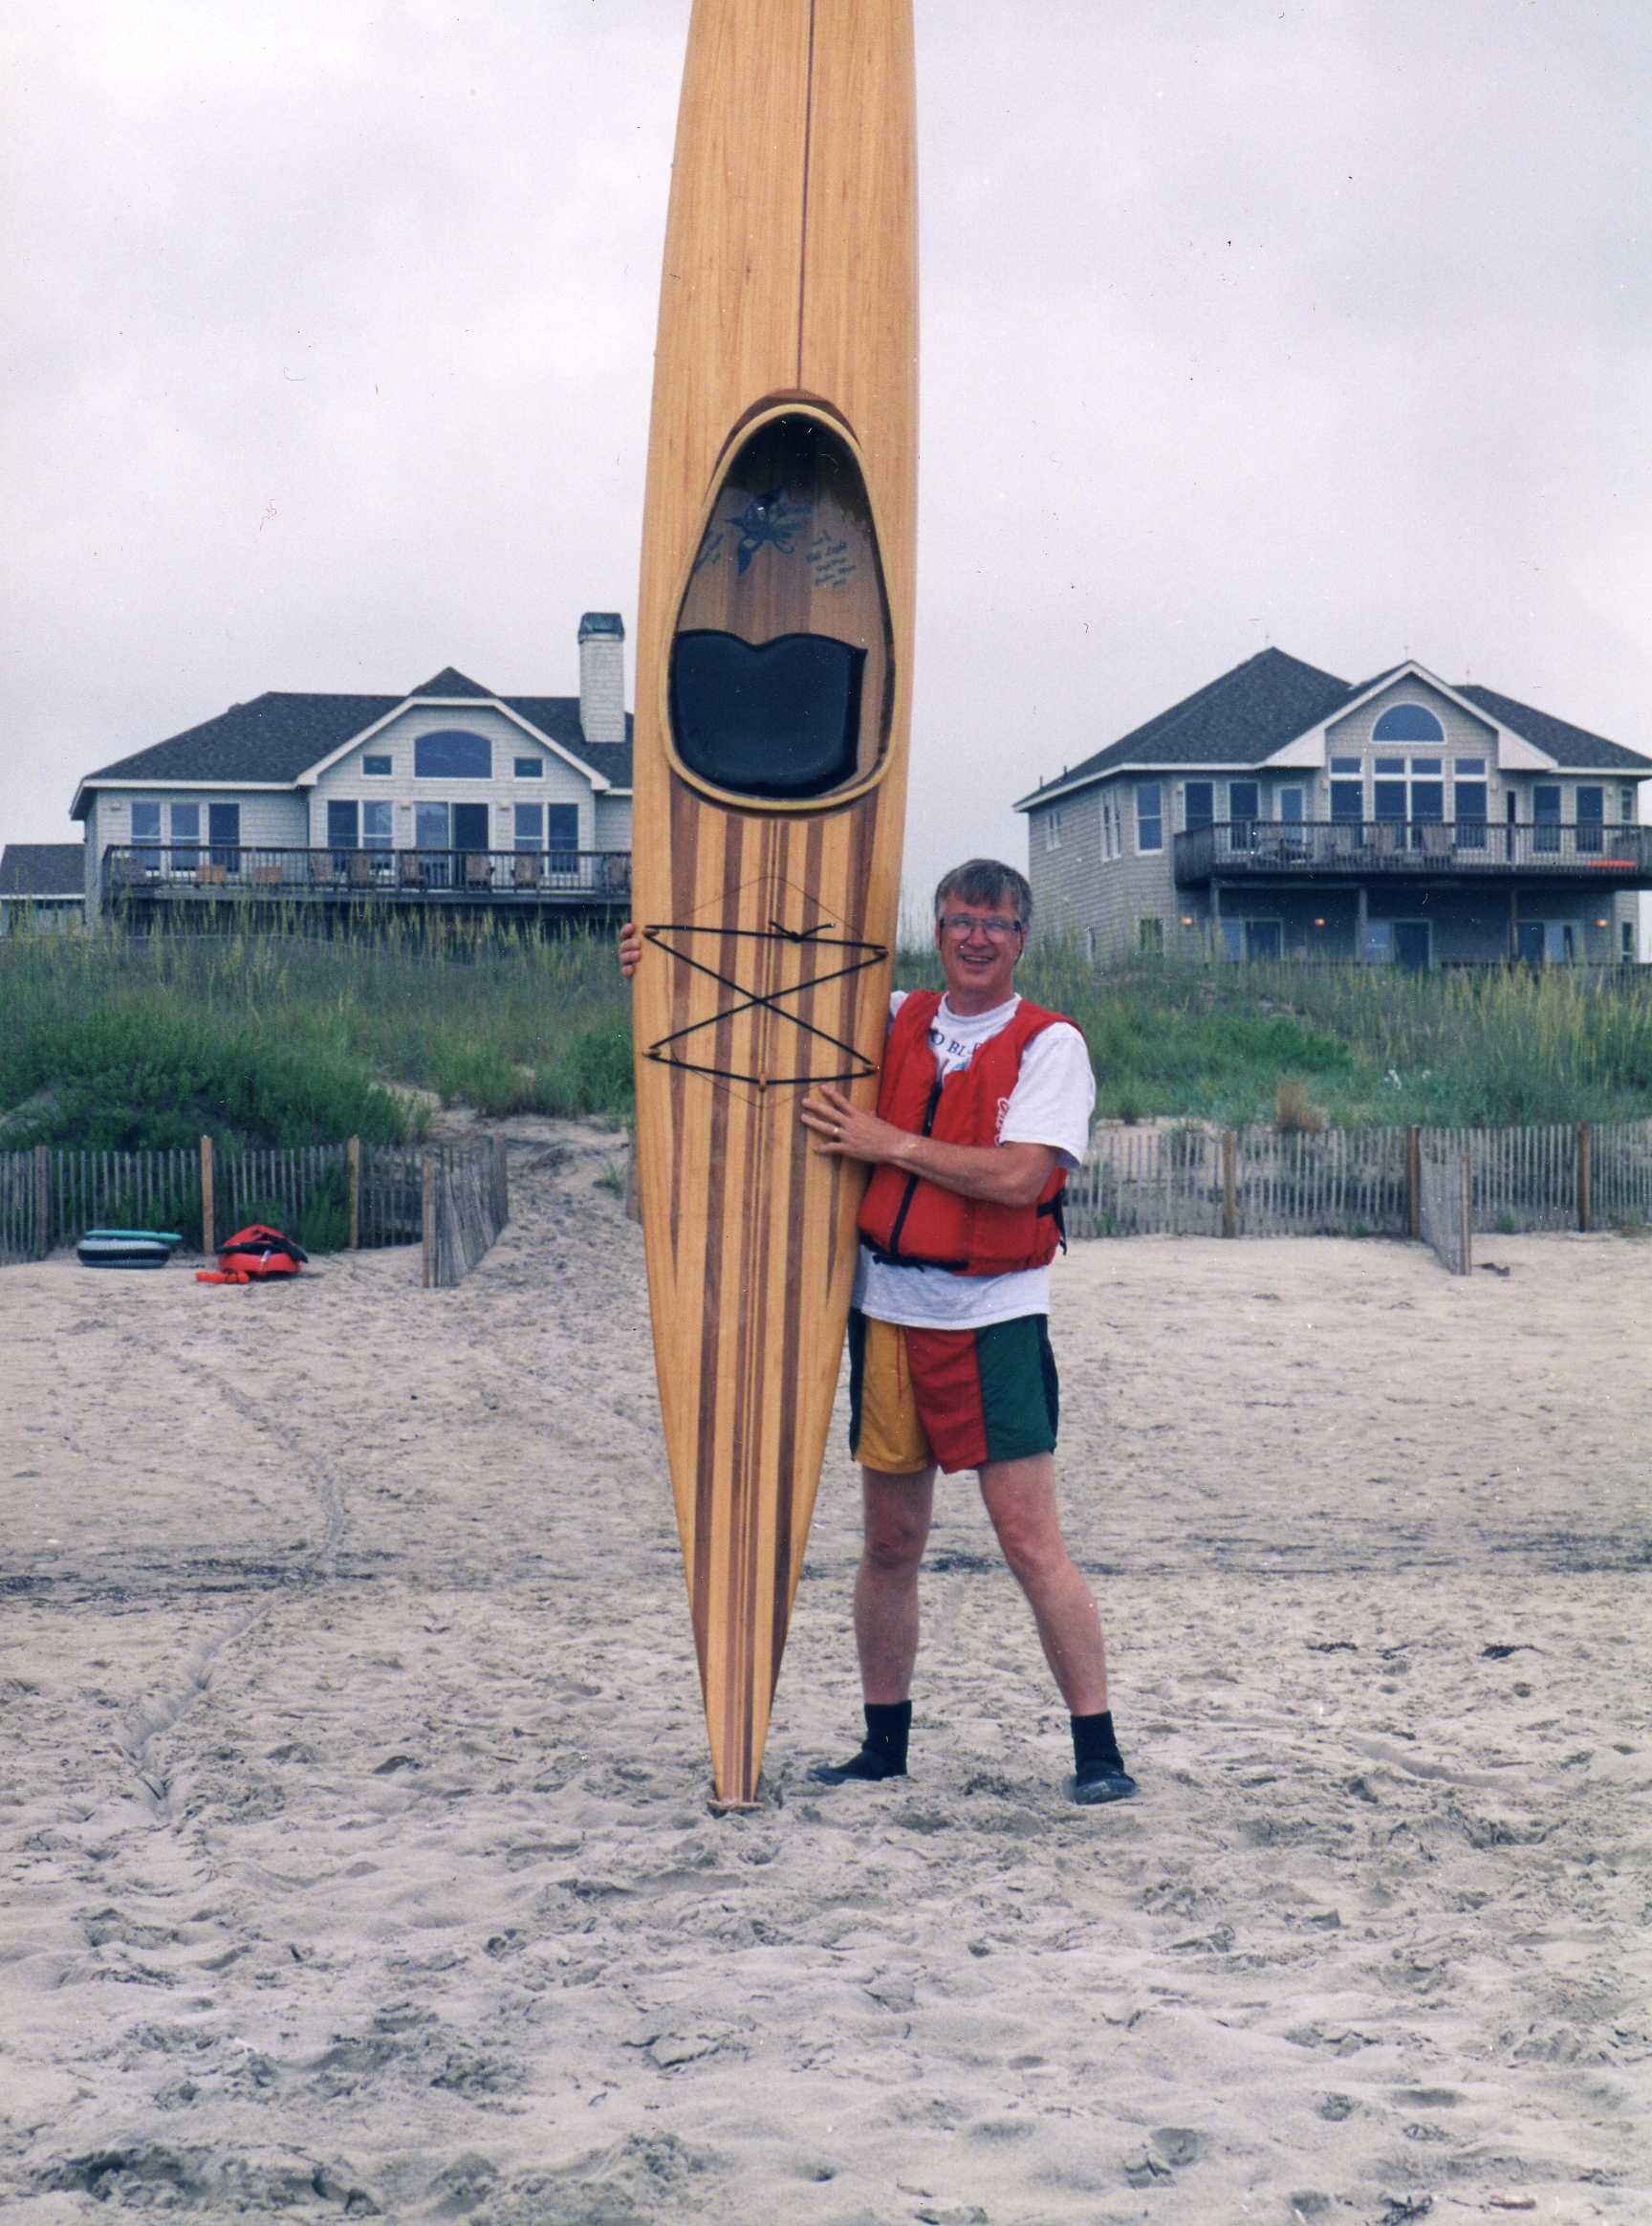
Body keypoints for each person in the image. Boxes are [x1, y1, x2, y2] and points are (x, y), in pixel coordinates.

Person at [618, 860, 1134, 1806]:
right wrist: (660, 964)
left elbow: (1022, 1179)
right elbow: (760, 1004)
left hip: (992, 1322)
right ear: (936, 931)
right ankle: (883, 1747)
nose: (977, 938)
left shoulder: (1050, 1045)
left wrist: (887, 1143)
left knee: (1028, 1541)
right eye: (960, 920)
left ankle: (1099, 1751)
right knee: (890, 1543)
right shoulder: (891, 1015)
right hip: (886, 1310)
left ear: (1022, 939)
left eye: (996, 923)